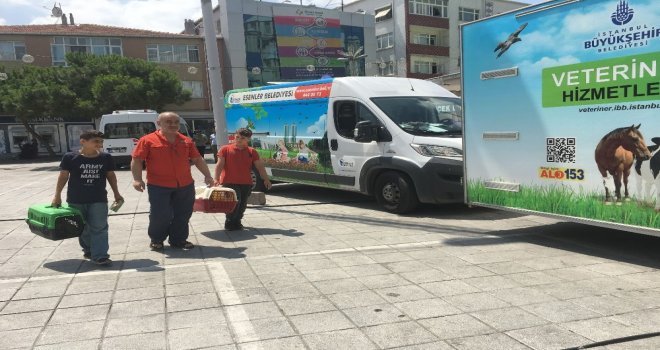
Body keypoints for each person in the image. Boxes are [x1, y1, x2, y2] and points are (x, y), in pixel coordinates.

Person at [131, 112, 214, 250]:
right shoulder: (147, 140)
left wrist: (208, 175)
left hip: (185, 184)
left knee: (183, 213)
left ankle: (178, 240)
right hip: (158, 185)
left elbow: (197, 159)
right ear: (159, 123)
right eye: (169, 122)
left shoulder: (186, 141)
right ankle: (157, 239)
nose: (173, 125)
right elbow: (137, 160)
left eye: (176, 122)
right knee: (160, 214)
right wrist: (137, 179)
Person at [51, 130, 123, 266]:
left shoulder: (105, 157)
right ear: (83, 141)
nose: (100, 144)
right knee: (82, 227)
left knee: (100, 227)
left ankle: (100, 255)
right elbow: (63, 176)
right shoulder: (70, 157)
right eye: (96, 141)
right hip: (76, 199)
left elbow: (111, 176)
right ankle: (88, 249)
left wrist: (117, 193)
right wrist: (57, 195)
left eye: (101, 141)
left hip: (99, 199)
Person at [214, 128, 271, 231]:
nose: (239, 139)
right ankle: (230, 222)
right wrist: (216, 178)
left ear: (248, 139)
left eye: (242, 138)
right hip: (229, 181)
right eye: (237, 137)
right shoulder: (225, 149)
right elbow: (219, 164)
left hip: (246, 183)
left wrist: (266, 179)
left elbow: (260, 167)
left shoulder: (252, 151)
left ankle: (237, 222)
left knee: (243, 204)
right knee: (235, 202)